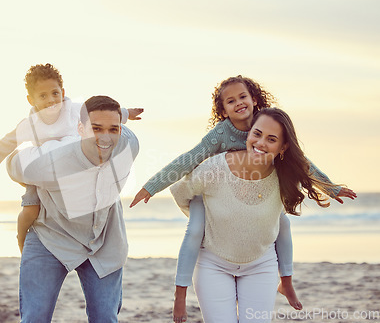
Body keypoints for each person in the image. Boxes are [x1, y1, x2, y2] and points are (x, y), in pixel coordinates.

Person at [129, 76, 356, 321]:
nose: (238, 103)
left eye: (242, 97)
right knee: (195, 229)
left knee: (283, 223)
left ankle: (286, 280)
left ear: (254, 99)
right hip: (214, 190)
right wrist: (151, 186)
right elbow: (189, 159)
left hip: (256, 194)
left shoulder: (267, 123)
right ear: (223, 110)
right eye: (231, 101)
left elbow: (303, 164)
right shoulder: (220, 134)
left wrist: (331, 189)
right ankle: (180, 293)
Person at [170, 107, 340, 322]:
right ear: (248, 134)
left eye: (271, 139)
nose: (260, 143)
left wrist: (333, 189)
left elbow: (282, 224)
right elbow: (181, 192)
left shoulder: (284, 176)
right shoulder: (214, 168)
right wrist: (201, 216)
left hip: (260, 264)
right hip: (213, 263)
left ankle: (285, 284)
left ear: (282, 147)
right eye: (257, 134)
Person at [0, 64, 143, 252]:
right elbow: (2, 146)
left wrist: (126, 113)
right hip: (44, 172)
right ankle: (22, 240)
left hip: (76, 165)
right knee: (30, 210)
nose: (51, 100)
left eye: (55, 93)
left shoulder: (75, 110)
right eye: (43, 96)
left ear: (63, 92)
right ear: (31, 100)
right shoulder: (29, 125)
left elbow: (103, 115)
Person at [6, 95, 140, 322]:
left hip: (105, 242)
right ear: (80, 128)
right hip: (52, 237)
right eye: (96, 129)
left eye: (113, 129)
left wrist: (123, 115)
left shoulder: (129, 145)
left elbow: (116, 126)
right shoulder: (49, 162)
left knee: (105, 318)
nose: (106, 138)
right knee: (35, 318)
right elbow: (12, 164)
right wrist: (37, 182)